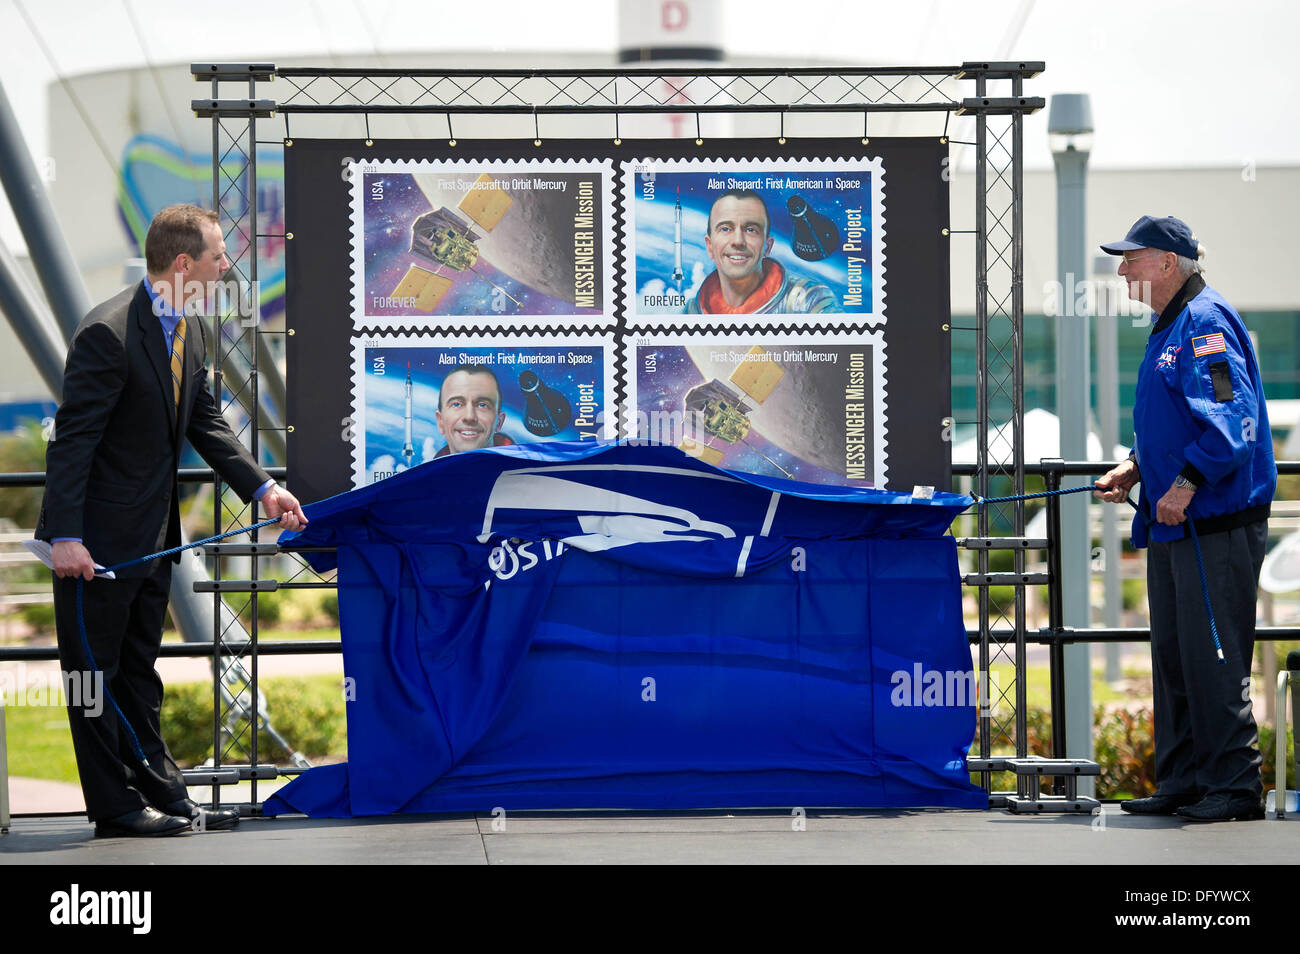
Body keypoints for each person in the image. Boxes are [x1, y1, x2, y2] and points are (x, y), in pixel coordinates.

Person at [36, 204, 307, 837]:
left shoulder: (193, 329)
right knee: (90, 681)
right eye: (219, 256)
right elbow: (72, 443)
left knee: (137, 676)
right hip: (95, 551)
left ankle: (167, 796)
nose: (227, 266)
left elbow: (206, 424)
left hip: (153, 545)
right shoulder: (105, 332)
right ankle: (116, 809)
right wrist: (67, 538)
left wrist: (264, 489)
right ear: (185, 264)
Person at [1094, 215, 1274, 822]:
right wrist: (1137, 467)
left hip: (1214, 525)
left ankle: (1233, 788)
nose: (1121, 270)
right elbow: (1175, 420)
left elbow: (1233, 424)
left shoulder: (1204, 322)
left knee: (1213, 660)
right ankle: (1185, 782)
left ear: (1168, 263)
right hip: (1178, 523)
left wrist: (1188, 481)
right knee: (1174, 657)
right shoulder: (1170, 323)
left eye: (1131, 259)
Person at [684, 190, 841, 316]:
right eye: (725, 229)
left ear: (767, 246)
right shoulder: (693, 312)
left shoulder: (807, 300)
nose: (738, 241)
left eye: (751, 230)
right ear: (710, 246)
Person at [434, 365, 514, 456]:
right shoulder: (429, 469)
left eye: (482, 405)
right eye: (456, 404)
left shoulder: (526, 467)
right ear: (440, 421)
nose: (469, 416)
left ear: (499, 422)